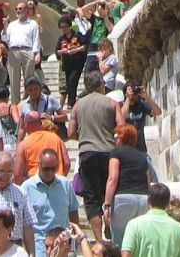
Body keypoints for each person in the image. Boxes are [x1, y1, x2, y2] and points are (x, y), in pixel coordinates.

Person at [68, 70, 123, 240]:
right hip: (109, 152)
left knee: (91, 198)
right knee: (110, 192)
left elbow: (70, 133)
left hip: (87, 153)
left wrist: (83, 137)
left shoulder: (77, 105)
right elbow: (122, 128)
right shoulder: (113, 103)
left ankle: (99, 240)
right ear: (101, 85)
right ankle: (110, 225)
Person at [22, 149, 80, 257]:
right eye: (46, 169)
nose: (50, 173)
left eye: (53, 169)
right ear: (39, 165)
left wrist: (74, 240)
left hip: (63, 243)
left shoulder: (65, 185)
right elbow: (23, 220)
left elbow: (73, 213)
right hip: (39, 246)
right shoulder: (27, 188)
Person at [103, 125, 151, 247]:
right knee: (138, 241)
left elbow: (112, 179)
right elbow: (148, 182)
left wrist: (107, 204)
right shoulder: (142, 156)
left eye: (115, 136)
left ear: (121, 138)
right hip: (143, 200)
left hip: (123, 198)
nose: (114, 140)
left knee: (120, 240)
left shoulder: (116, 153)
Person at [118, 183, 180, 257]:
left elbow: (126, 255)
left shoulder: (134, 225)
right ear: (168, 203)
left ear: (148, 201)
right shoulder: (179, 229)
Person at [14, 112, 70, 183]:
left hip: (35, 183)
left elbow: (17, 172)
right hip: (57, 179)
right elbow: (67, 163)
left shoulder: (24, 144)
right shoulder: (57, 138)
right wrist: (61, 177)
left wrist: (19, 187)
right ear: (41, 123)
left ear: (26, 124)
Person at [3, 1, 41, 104]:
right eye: (17, 9)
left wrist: (35, 53)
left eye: (20, 8)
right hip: (14, 51)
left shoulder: (32, 24)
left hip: (27, 50)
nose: (18, 11)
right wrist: (5, 27)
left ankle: (28, 102)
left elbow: (36, 39)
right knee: (14, 80)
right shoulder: (12, 24)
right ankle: (15, 104)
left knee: (29, 79)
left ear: (26, 10)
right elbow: (6, 39)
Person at [55, 17, 86, 107]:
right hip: (67, 64)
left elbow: (85, 46)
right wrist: (62, 51)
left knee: (73, 80)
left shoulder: (77, 35)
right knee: (69, 83)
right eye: (62, 27)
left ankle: (70, 103)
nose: (64, 29)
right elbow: (57, 51)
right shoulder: (61, 39)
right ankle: (73, 102)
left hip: (77, 63)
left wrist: (76, 49)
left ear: (69, 26)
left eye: (65, 26)